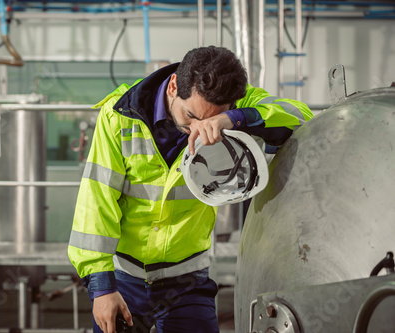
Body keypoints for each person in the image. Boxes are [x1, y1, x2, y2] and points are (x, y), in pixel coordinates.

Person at [68, 46, 313, 333]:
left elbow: (301, 117)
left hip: (187, 282)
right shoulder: (120, 117)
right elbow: (97, 202)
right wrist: (101, 288)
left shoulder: (233, 104)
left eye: (209, 120)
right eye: (191, 116)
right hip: (125, 280)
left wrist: (233, 120)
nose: (198, 129)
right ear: (173, 86)